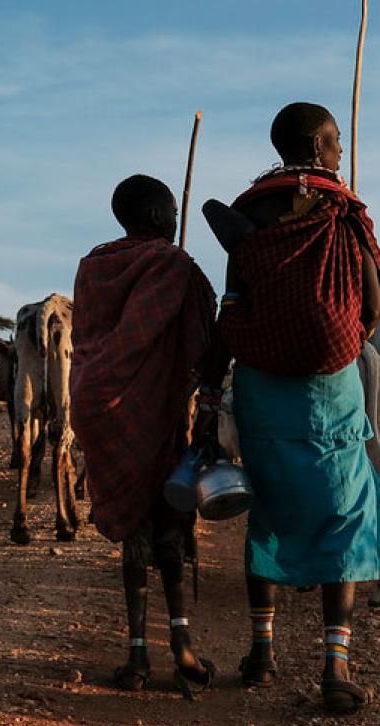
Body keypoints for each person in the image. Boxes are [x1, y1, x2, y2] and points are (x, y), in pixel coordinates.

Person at [204, 101, 380, 713]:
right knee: (347, 512)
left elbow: (233, 300)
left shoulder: (248, 209)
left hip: (262, 383)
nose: (340, 150)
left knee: (270, 511)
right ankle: (336, 664)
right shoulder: (343, 208)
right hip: (332, 384)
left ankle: (261, 653)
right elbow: (373, 297)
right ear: (316, 141)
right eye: (336, 140)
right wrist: (349, 335)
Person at [70, 174, 217, 696]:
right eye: (173, 211)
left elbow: (92, 335)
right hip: (151, 411)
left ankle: (137, 653)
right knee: (166, 523)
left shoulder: (93, 266)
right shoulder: (171, 264)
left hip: (96, 403)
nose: (177, 219)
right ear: (159, 218)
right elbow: (202, 336)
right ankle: (181, 646)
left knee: (133, 524)